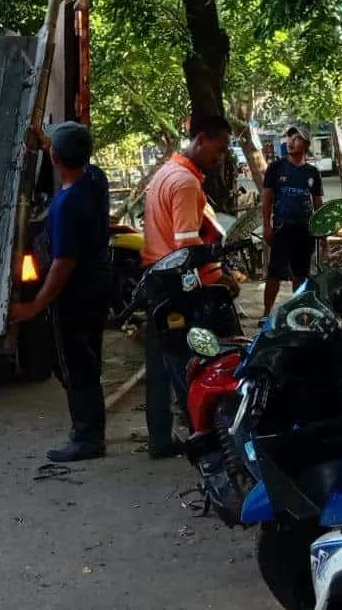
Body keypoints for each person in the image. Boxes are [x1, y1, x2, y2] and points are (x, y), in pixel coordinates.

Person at [8, 122, 111, 462]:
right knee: (86, 358)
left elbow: (63, 263)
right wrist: (48, 144)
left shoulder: (67, 205)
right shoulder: (95, 180)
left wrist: (35, 306)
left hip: (74, 293)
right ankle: (89, 429)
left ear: (54, 157)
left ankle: (88, 438)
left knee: (75, 364)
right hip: (96, 286)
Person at [140, 115, 233, 459]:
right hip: (179, 287)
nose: (220, 157)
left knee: (161, 364)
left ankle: (161, 438)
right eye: (219, 149)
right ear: (201, 139)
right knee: (194, 361)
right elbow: (185, 248)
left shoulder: (167, 174)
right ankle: (203, 436)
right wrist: (214, 279)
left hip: (157, 281)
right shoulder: (184, 183)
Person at [262, 123, 325, 318]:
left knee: (301, 274)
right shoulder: (276, 168)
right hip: (282, 228)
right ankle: (266, 313)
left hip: (305, 231)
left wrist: (323, 234)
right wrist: (267, 226)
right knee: (274, 273)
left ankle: (297, 313)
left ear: (305, 144)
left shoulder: (312, 173)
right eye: (289, 138)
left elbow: (318, 204)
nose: (290, 141)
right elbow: (267, 199)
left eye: (296, 138)